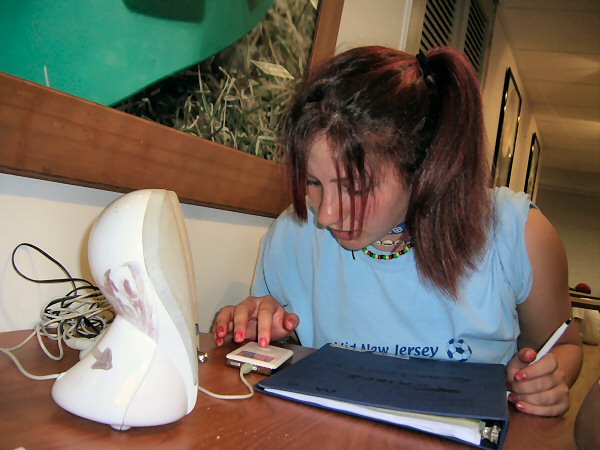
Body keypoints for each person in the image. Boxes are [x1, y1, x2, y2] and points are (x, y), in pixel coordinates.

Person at [212, 46, 582, 417]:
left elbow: (564, 347)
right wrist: (262, 328)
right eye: (313, 182)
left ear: (423, 166)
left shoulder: (517, 233)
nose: (325, 215)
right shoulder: (292, 234)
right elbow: (278, 344)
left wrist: (547, 380)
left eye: (356, 188)